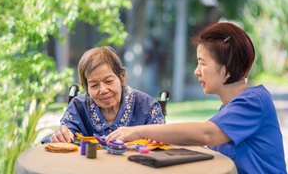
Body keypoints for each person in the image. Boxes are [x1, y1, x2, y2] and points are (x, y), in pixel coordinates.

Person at [106, 22, 287, 173]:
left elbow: (206, 134)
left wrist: (139, 131)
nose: (196, 71)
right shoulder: (229, 108)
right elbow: (204, 141)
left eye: (202, 63)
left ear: (226, 68)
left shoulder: (255, 101)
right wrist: (167, 137)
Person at [50, 46, 165, 143]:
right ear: (87, 88)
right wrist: (60, 135)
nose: (103, 90)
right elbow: (62, 136)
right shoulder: (78, 106)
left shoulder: (147, 106)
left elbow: (162, 139)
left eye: (109, 81)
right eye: (94, 85)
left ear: (122, 77)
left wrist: (158, 139)